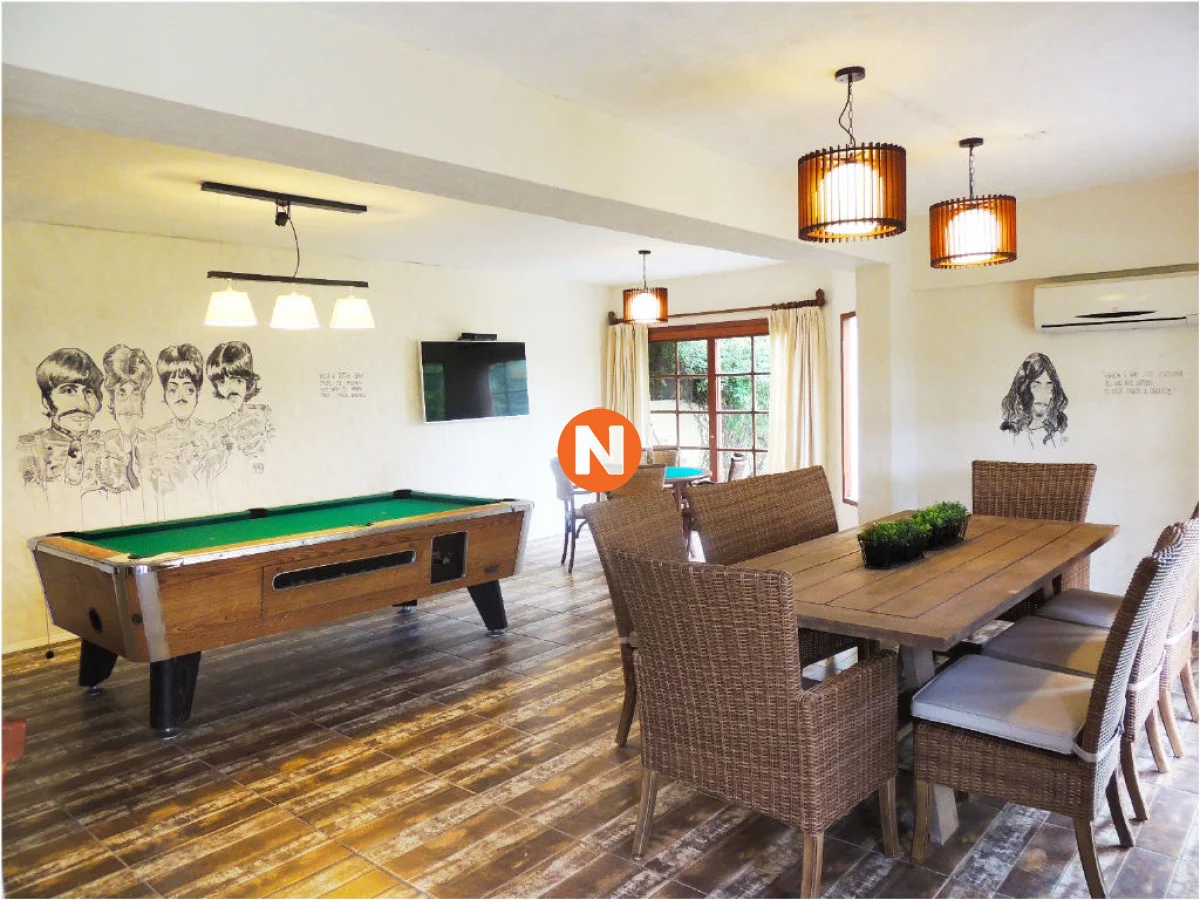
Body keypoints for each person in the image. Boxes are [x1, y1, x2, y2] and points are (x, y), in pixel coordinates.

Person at [143, 344, 227, 508]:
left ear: (198, 393)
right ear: (165, 395)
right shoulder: (154, 438)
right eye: (173, 390)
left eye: (188, 389)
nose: (181, 396)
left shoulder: (212, 434)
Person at [17, 348, 105, 489]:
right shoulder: (27, 450)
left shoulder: (107, 448)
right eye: (69, 390)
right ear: (47, 402)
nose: (82, 403)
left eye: (88, 392)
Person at [87, 344, 153, 495]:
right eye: (121, 395)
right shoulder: (99, 447)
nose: (128, 405)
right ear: (112, 401)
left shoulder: (154, 443)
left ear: (143, 401)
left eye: (135, 395)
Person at [206, 341, 273, 460]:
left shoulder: (264, 413)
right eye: (222, 382)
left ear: (248, 381)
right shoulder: (223, 426)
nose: (230, 388)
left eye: (237, 381)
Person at [1000, 352, 1069, 447]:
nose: (1043, 395)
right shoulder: (1009, 435)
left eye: (1049, 387)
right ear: (1023, 389)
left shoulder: (1059, 434)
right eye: (1036, 386)